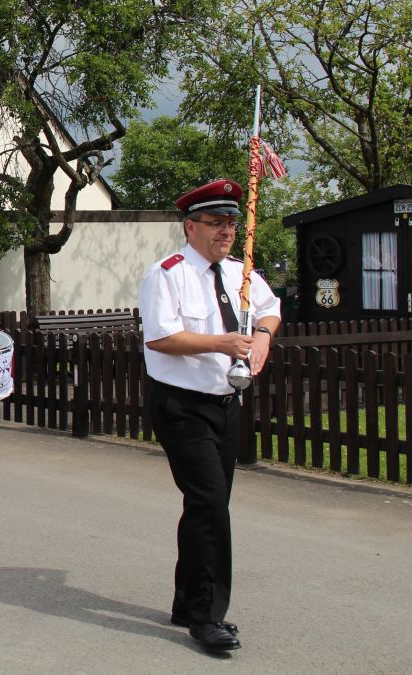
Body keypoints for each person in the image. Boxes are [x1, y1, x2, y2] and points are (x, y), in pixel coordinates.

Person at [139, 178, 280, 652]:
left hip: (226, 403)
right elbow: (160, 338)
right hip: (182, 405)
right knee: (210, 505)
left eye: (232, 223)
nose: (226, 232)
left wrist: (261, 335)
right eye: (216, 223)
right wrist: (221, 342)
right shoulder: (169, 273)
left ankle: (186, 601)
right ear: (190, 227)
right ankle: (206, 617)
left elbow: (271, 308)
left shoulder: (240, 273)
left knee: (206, 505)